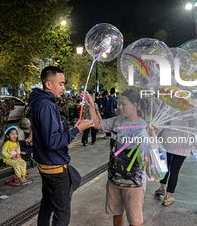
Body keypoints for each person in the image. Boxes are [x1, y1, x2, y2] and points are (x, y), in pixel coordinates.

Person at [28, 66, 94, 226]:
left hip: (46, 165)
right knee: (62, 214)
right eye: (61, 84)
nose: (64, 88)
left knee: (47, 205)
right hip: (55, 168)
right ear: (48, 84)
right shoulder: (46, 105)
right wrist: (78, 129)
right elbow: (53, 141)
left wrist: (72, 131)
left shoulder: (40, 102)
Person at [84, 89, 148, 226]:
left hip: (133, 185)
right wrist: (91, 105)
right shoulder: (117, 121)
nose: (120, 107)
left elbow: (146, 161)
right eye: (119, 104)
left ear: (135, 105)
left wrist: (150, 143)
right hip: (114, 180)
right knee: (116, 214)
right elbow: (96, 124)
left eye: (124, 104)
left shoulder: (144, 128)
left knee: (135, 221)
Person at [154, 110, 193, 206]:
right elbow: (193, 127)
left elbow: (160, 125)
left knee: (165, 167)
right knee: (174, 171)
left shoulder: (169, 108)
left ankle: (162, 188)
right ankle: (168, 198)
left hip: (167, 141)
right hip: (182, 144)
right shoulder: (191, 111)